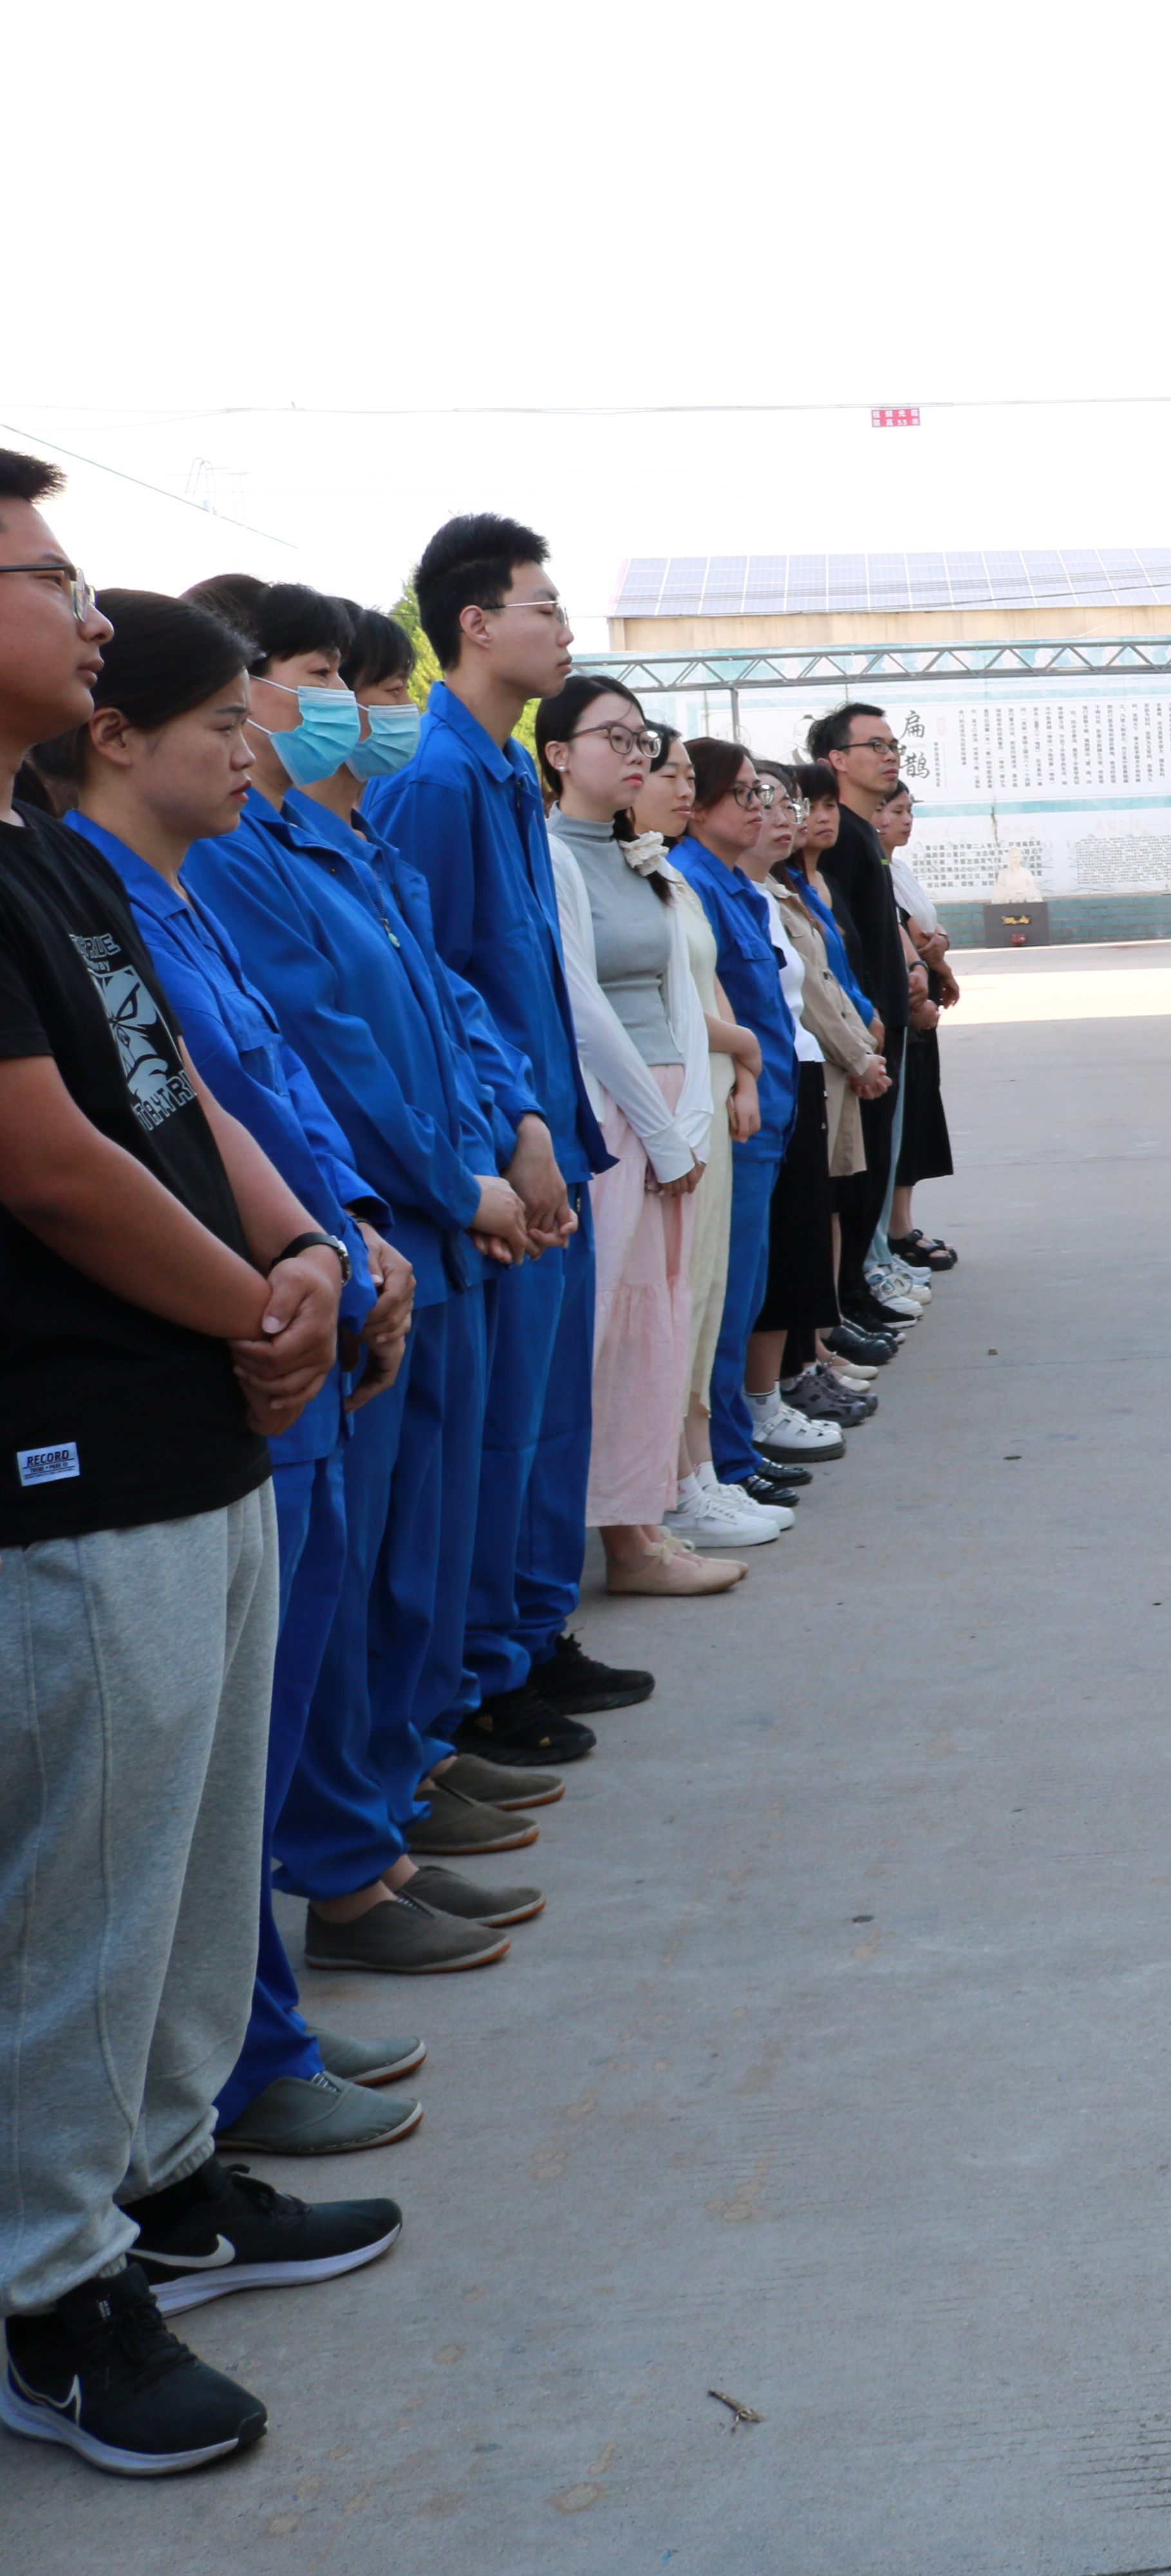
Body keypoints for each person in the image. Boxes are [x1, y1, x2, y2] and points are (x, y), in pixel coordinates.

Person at [0, 457, 401, 2479]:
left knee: (177, 1858)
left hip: (198, 1431)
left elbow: (171, 1093)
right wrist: (263, 1311)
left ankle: (161, 2185)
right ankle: (47, 2288)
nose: (89, 610)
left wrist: (302, 1245)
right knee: (81, 1895)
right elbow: (47, 1162)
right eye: (47, 575)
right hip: (70, 1456)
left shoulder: (47, 851)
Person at [171, 583, 532, 2146]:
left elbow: (432, 1014)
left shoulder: (295, 843)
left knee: (399, 1557)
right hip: (324, 1270)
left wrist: (463, 1161)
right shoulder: (199, 865)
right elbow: (301, 1062)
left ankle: (376, 1818)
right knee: (308, 1632)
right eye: (320, 679)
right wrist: (381, 1213)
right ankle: (329, 1882)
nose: (338, 712)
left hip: (384, 1238)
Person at [363, 516, 650, 1761]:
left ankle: (531, 1635)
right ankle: (483, 1675)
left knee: (543, 1424)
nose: (567, 630)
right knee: (492, 1441)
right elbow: (430, 990)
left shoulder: (493, 773)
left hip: (547, 1142)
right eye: (547, 607)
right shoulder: (434, 781)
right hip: (501, 1164)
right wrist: (500, 1148)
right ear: (476, 625)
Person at [532, 679, 740, 1596]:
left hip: (671, 1108)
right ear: (557, 756)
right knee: (613, 1321)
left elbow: (679, 998)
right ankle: (617, 1542)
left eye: (640, 740)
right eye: (613, 738)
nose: (636, 756)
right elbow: (582, 1008)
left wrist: (688, 1118)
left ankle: (644, 1529)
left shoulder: (643, 859)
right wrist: (660, 1131)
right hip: (612, 1113)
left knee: (663, 1317)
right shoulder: (550, 856)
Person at [673, 742, 810, 1502]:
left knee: (745, 1285)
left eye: (764, 793)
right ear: (696, 808)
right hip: (736, 1109)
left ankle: (734, 1445)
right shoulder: (692, 882)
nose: (760, 807)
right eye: (744, 794)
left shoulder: (731, 884)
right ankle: (725, 1458)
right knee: (722, 1300)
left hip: (766, 1107)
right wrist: (749, 1067)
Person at [743, 761, 886, 1451]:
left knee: (811, 1222)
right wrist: (857, 1053)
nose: (783, 817)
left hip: (802, 1071)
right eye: (757, 800)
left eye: (787, 805)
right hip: (776, 1079)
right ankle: (773, 1390)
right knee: (777, 1247)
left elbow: (830, 975)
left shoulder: (781, 889)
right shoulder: (717, 887)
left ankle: (805, 1362)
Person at [805, 704, 919, 1331]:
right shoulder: (840, 838)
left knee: (877, 1161)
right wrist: (866, 1018)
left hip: (885, 1020)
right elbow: (837, 948)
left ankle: (859, 1288)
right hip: (863, 1027)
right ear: (836, 760)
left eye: (892, 744)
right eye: (873, 745)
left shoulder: (862, 835)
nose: (889, 754)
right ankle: (849, 1296)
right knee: (856, 1173)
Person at [880, 786, 959, 1273]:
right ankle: (894, 1230)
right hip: (906, 1004)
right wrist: (936, 968)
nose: (906, 820)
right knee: (901, 1115)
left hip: (923, 999)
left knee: (918, 1111)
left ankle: (902, 1221)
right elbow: (912, 936)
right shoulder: (871, 871)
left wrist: (940, 955)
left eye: (910, 811)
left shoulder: (900, 870)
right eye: (896, 811)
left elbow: (932, 932)